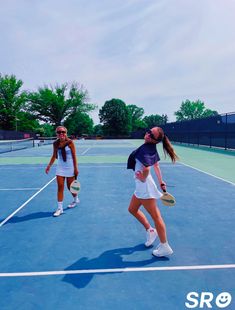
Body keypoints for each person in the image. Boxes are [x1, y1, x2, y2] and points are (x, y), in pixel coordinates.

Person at [127, 127, 178, 257]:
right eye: (149, 131)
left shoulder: (146, 149)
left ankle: (165, 246)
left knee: (156, 217)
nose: (148, 134)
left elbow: (148, 168)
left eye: (152, 135)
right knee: (132, 209)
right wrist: (161, 181)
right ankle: (150, 231)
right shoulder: (150, 147)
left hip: (145, 188)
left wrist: (142, 177)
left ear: (155, 141)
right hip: (141, 187)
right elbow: (156, 165)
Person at [45, 126, 79, 217]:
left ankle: (76, 199)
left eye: (63, 132)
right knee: (60, 187)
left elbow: (74, 156)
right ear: (56, 134)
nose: (61, 134)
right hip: (60, 167)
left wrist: (76, 168)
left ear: (66, 132)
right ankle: (60, 208)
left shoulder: (70, 143)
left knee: (70, 187)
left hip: (70, 167)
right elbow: (54, 155)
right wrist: (49, 166)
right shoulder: (55, 143)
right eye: (59, 132)